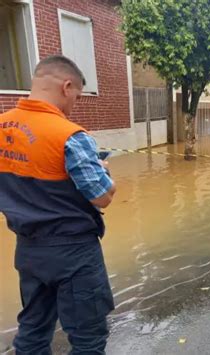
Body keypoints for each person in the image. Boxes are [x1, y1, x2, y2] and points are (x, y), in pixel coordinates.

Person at [0, 55, 116, 354]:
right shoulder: (69, 135)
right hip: (74, 253)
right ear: (67, 86)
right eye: (76, 97)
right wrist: (102, 171)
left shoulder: (2, 127)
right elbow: (101, 196)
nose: (73, 105)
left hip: (27, 249)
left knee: (33, 330)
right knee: (88, 339)